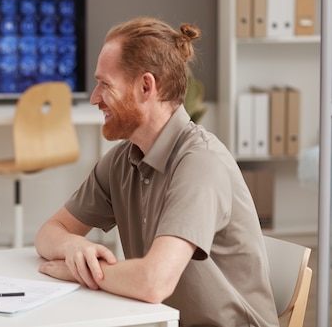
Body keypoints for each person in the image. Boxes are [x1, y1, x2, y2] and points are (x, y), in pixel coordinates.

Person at [34, 17, 278, 326]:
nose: (94, 98)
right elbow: (49, 232)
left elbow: (154, 282)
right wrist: (75, 246)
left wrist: (80, 272)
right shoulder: (123, 160)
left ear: (146, 86)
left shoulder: (200, 162)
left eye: (105, 84)